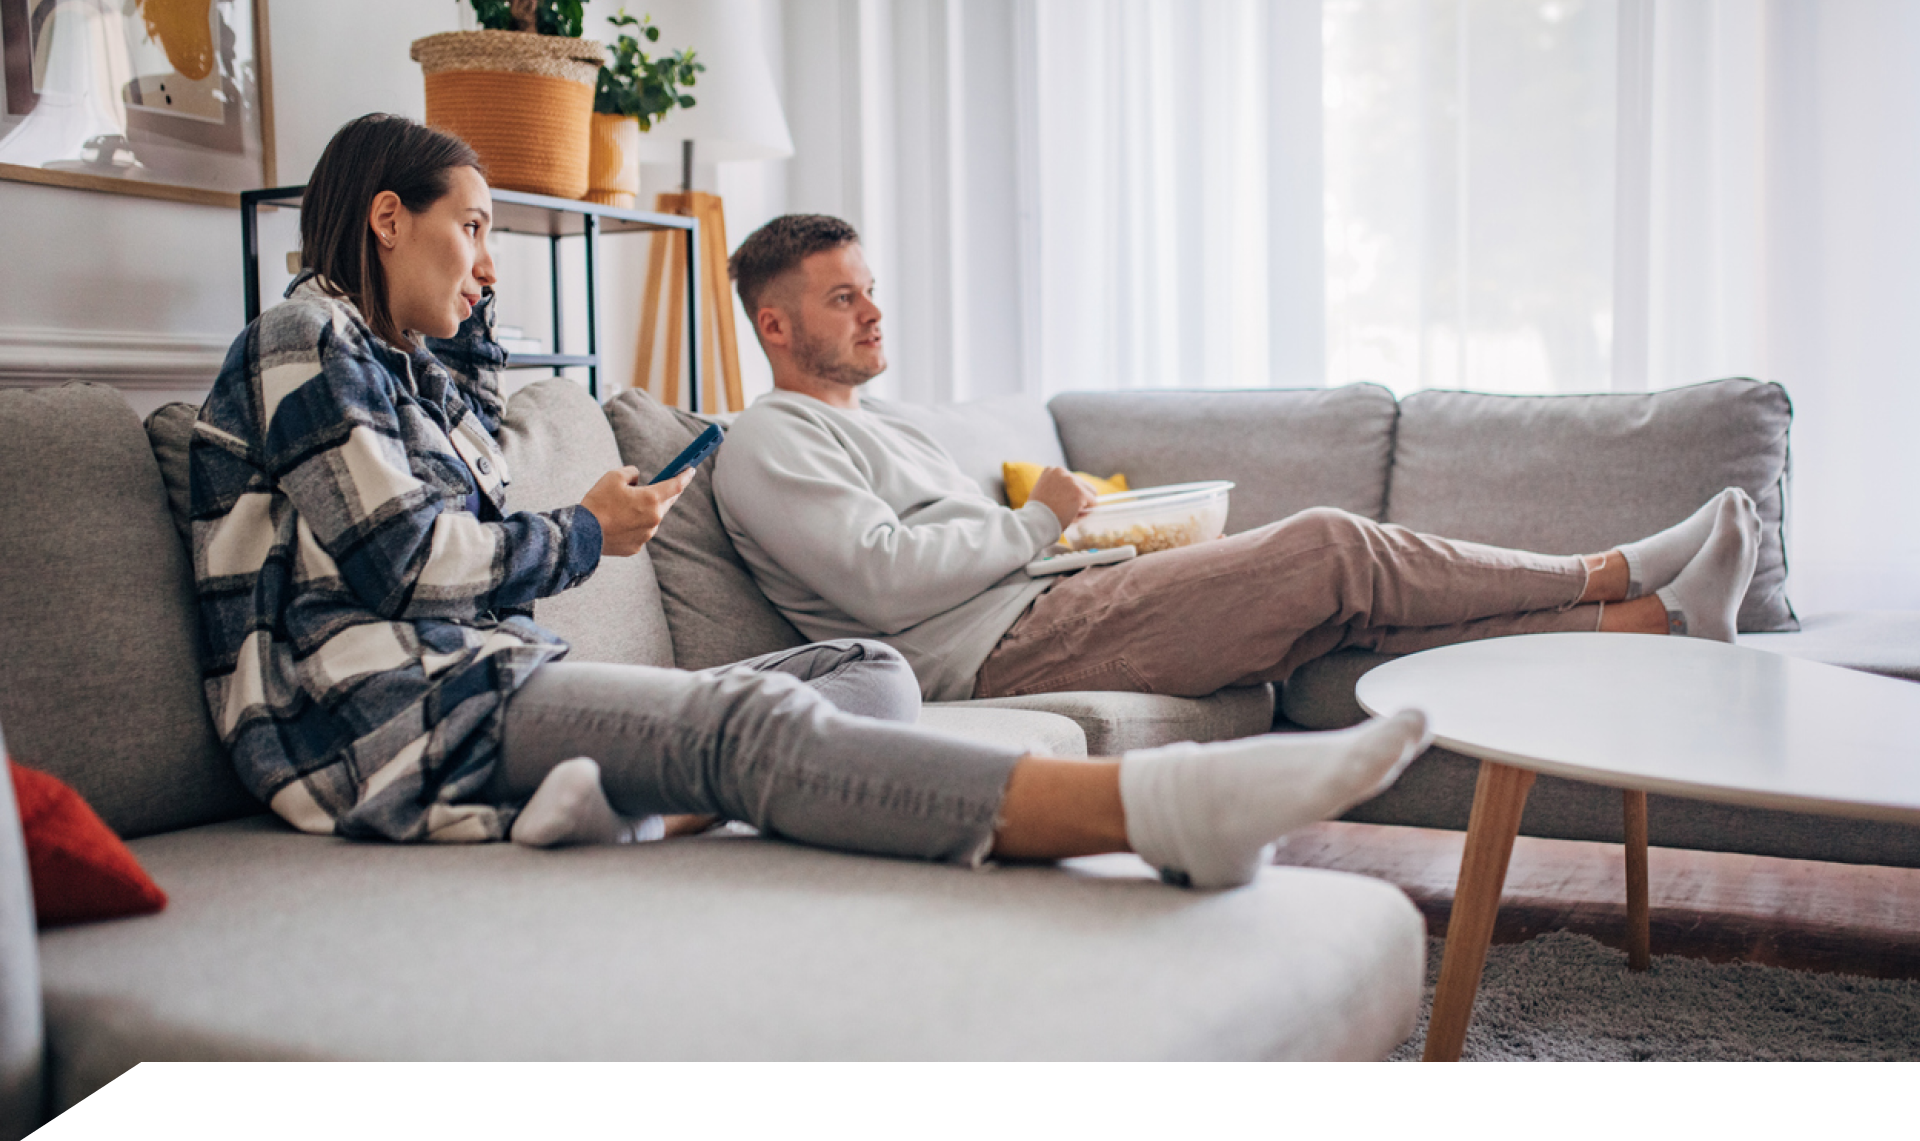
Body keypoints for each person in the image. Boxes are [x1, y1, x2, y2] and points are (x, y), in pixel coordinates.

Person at [185, 113, 1434, 891]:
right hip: (385, 716)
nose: (491, 261)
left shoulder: (412, 372)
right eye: (475, 229)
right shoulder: (301, 337)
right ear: (387, 219)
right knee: (745, 725)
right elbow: (404, 559)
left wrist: (479, 373)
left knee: (863, 672)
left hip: (490, 685)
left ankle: (625, 803)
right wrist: (584, 534)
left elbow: (462, 523)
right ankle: (1153, 813)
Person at [711, 215, 1763, 705]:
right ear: (775, 325)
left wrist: (1087, 542)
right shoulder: (769, 440)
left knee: (1349, 627)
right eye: (843, 298)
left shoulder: (891, 422)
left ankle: (1660, 623)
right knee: (1329, 548)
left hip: (1053, 601)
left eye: (872, 289)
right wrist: (1044, 521)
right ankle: (1612, 570)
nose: (874, 312)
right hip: (997, 651)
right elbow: (879, 577)